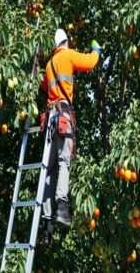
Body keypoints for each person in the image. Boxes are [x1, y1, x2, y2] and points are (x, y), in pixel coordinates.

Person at [40, 28, 101, 246]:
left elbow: (43, 86)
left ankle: (46, 225)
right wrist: (97, 50)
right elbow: (90, 63)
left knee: (48, 171)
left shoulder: (49, 65)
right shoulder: (68, 55)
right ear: (66, 41)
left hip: (49, 121)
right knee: (64, 162)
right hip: (63, 116)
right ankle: (62, 207)